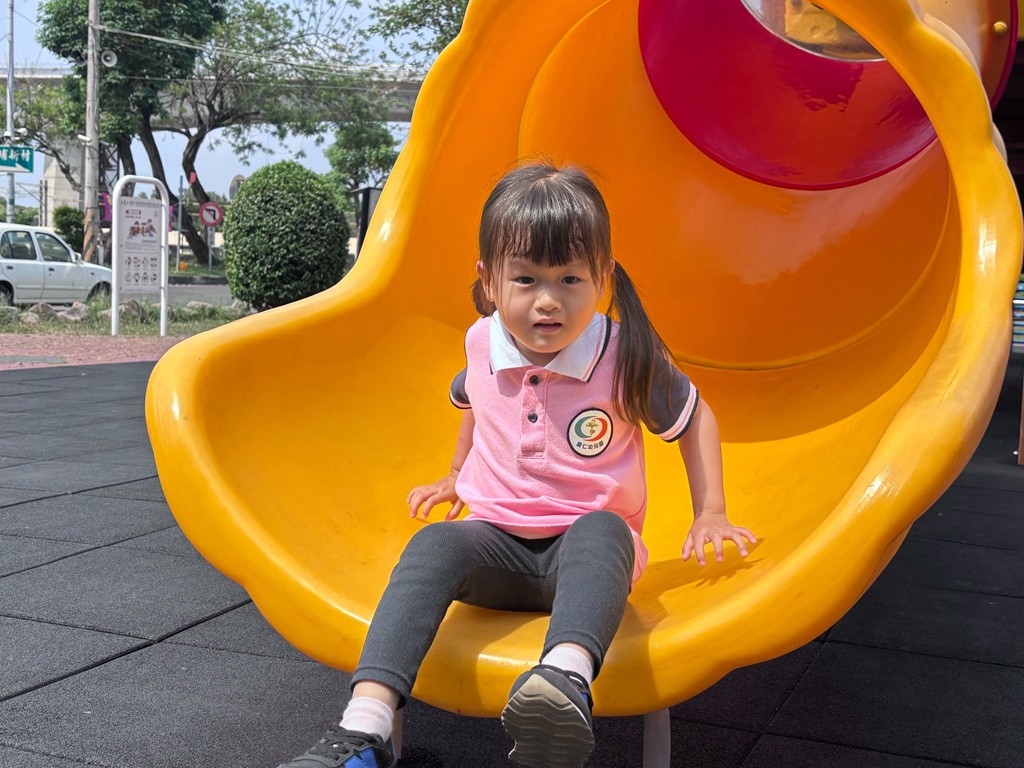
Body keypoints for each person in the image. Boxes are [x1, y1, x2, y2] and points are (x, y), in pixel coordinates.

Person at [277, 162, 756, 768]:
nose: (548, 301)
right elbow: (476, 400)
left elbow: (695, 417)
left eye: (570, 279)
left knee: (604, 529)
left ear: (602, 277)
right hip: (495, 551)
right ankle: (363, 729)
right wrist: (456, 474)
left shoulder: (623, 354)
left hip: (586, 562)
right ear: (490, 281)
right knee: (433, 546)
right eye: (526, 279)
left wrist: (711, 511)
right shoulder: (482, 341)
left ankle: (562, 681)